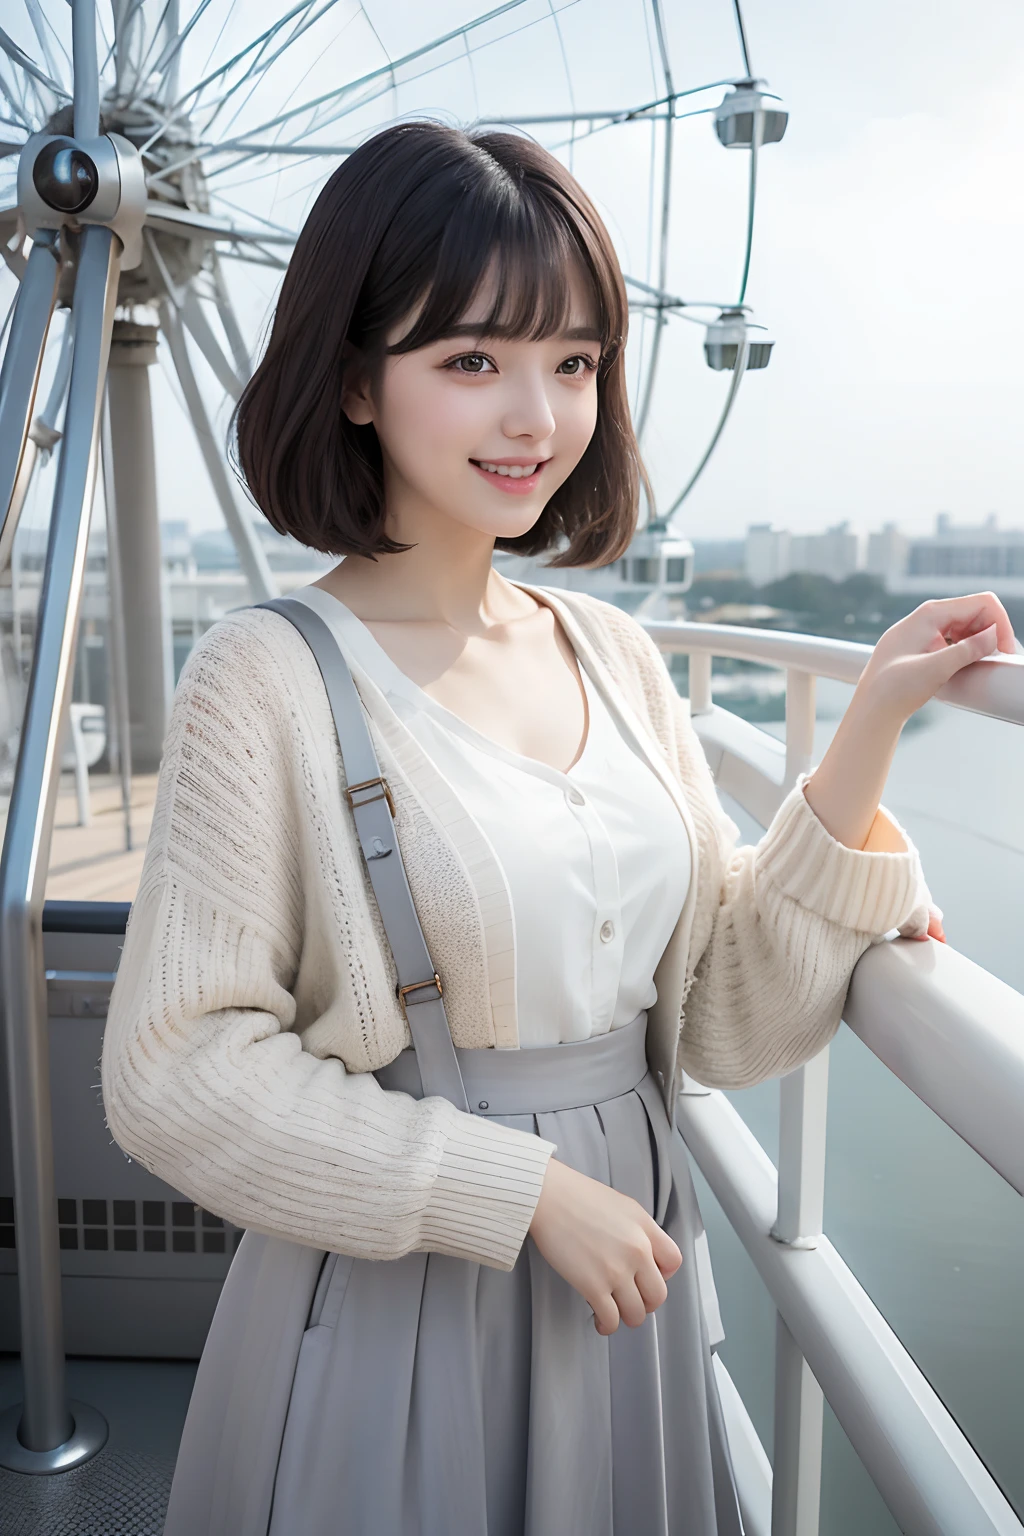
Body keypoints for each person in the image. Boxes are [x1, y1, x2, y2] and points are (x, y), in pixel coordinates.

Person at [100, 121, 1010, 1536]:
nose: (537, 416)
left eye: (572, 363)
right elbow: (173, 1071)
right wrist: (515, 1191)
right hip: (400, 1303)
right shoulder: (266, 675)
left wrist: (865, 743)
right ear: (353, 379)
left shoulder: (615, 656)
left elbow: (714, 1020)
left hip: (626, 1288)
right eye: (473, 362)